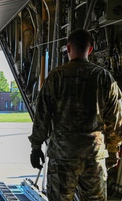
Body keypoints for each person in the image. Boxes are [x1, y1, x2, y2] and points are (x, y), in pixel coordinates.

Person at [28, 29, 122, 201]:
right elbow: (115, 120)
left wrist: (36, 147)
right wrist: (114, 149)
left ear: (68, 48)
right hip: (94, 156)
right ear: (91, 50)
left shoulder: (56, 77)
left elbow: (42, 116)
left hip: (63, 157)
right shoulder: (104, 78)